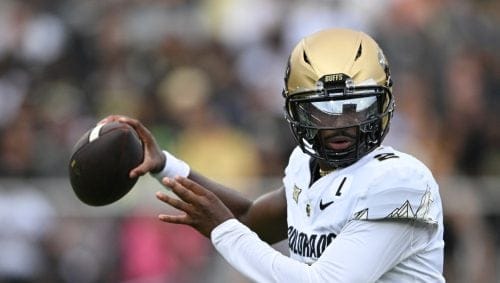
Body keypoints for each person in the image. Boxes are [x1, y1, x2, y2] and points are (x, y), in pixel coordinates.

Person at [102, 28, 445, 282]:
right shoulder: (305, 164)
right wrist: (165, 165)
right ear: (296, 111)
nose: (340, 124)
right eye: (322, 109)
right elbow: (251, 219)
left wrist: (222, 229)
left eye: (356, 108)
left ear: (382, 104)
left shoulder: (401, 181)